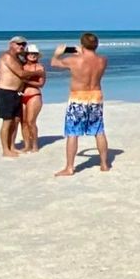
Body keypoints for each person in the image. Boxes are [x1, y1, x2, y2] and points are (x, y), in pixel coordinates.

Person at [53, 32, 110, 175]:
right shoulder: (103, 60)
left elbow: (54, 63)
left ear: (82, 44)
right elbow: (91, 61)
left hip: (78, 97)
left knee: (73, 133)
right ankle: (104, 164)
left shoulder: (74, 60)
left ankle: (70, 167)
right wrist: (84, 51)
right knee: (99, 130)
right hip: (96, 95)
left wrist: (57, 54)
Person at [0, 36, 30, 158]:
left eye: (23, 45)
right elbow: (20, 73)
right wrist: (39, 72)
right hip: (6, 92)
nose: (21, 46)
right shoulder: (7, 56)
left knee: (16, 120)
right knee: (7, 121)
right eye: (18, 44)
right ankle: (5, 149)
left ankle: (12, 146)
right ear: (11, 44)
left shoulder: (18, 58)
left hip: (16, 93)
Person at [17, 46, 46, 154]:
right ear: (26, 55)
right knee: (23, 122)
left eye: (34, 53)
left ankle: (35, 145)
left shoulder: (40, 67)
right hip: (22, 95)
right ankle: (26, 145)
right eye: (30, 53)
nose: (32, 55)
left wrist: (26, 82)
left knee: (31, 122)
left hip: (34, 95)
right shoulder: (22, 67)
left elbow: (41, 84)